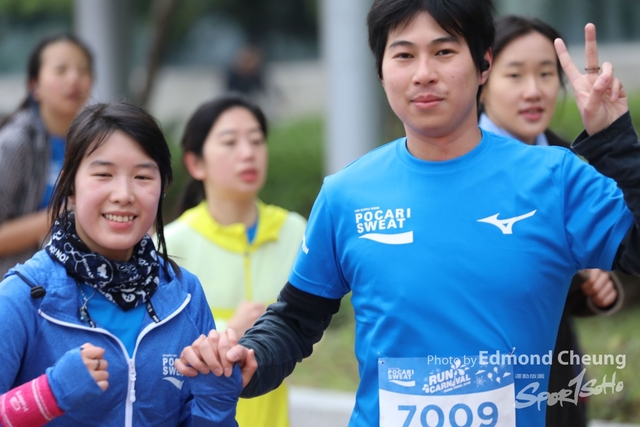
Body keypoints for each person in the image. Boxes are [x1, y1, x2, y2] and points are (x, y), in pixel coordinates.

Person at [177, 1, 640, 426]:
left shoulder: (554, 179)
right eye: (403, 55)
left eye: (443, 52)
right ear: (381, 72)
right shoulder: (346, 194)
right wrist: (252, 357)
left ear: (483, 63)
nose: (423, 74)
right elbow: (296, 319)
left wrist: (616, 142)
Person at [0, 102, 241, 426]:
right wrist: (46, 396)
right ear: (69, 186)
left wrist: (216, 401)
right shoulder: (24, 296)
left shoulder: (184, 295)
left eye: (142, 176)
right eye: (103, 174)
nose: (124, 194)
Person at [478, 15, 625, 427]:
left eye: (545, 74)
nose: (534, 90)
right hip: (470, 386)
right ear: (481, 80)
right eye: (515, 74)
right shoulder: (452, 166)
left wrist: (595, 289)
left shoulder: (576, 165)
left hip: (552, 386)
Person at [164, 94, 306, 427]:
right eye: (230, 142)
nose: (247, 153)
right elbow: (157, 351)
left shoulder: (295, 232)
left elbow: (311, 326)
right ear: (196, 163)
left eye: (256, 140)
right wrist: (230, 331)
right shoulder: (170, 244)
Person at [0, 34, 94, 277]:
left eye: (82, 70)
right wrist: (64, 212)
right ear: (35, 86)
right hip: (19, 285)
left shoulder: (96, 142)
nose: (74, 79)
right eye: (61, 70)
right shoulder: (15, 142)